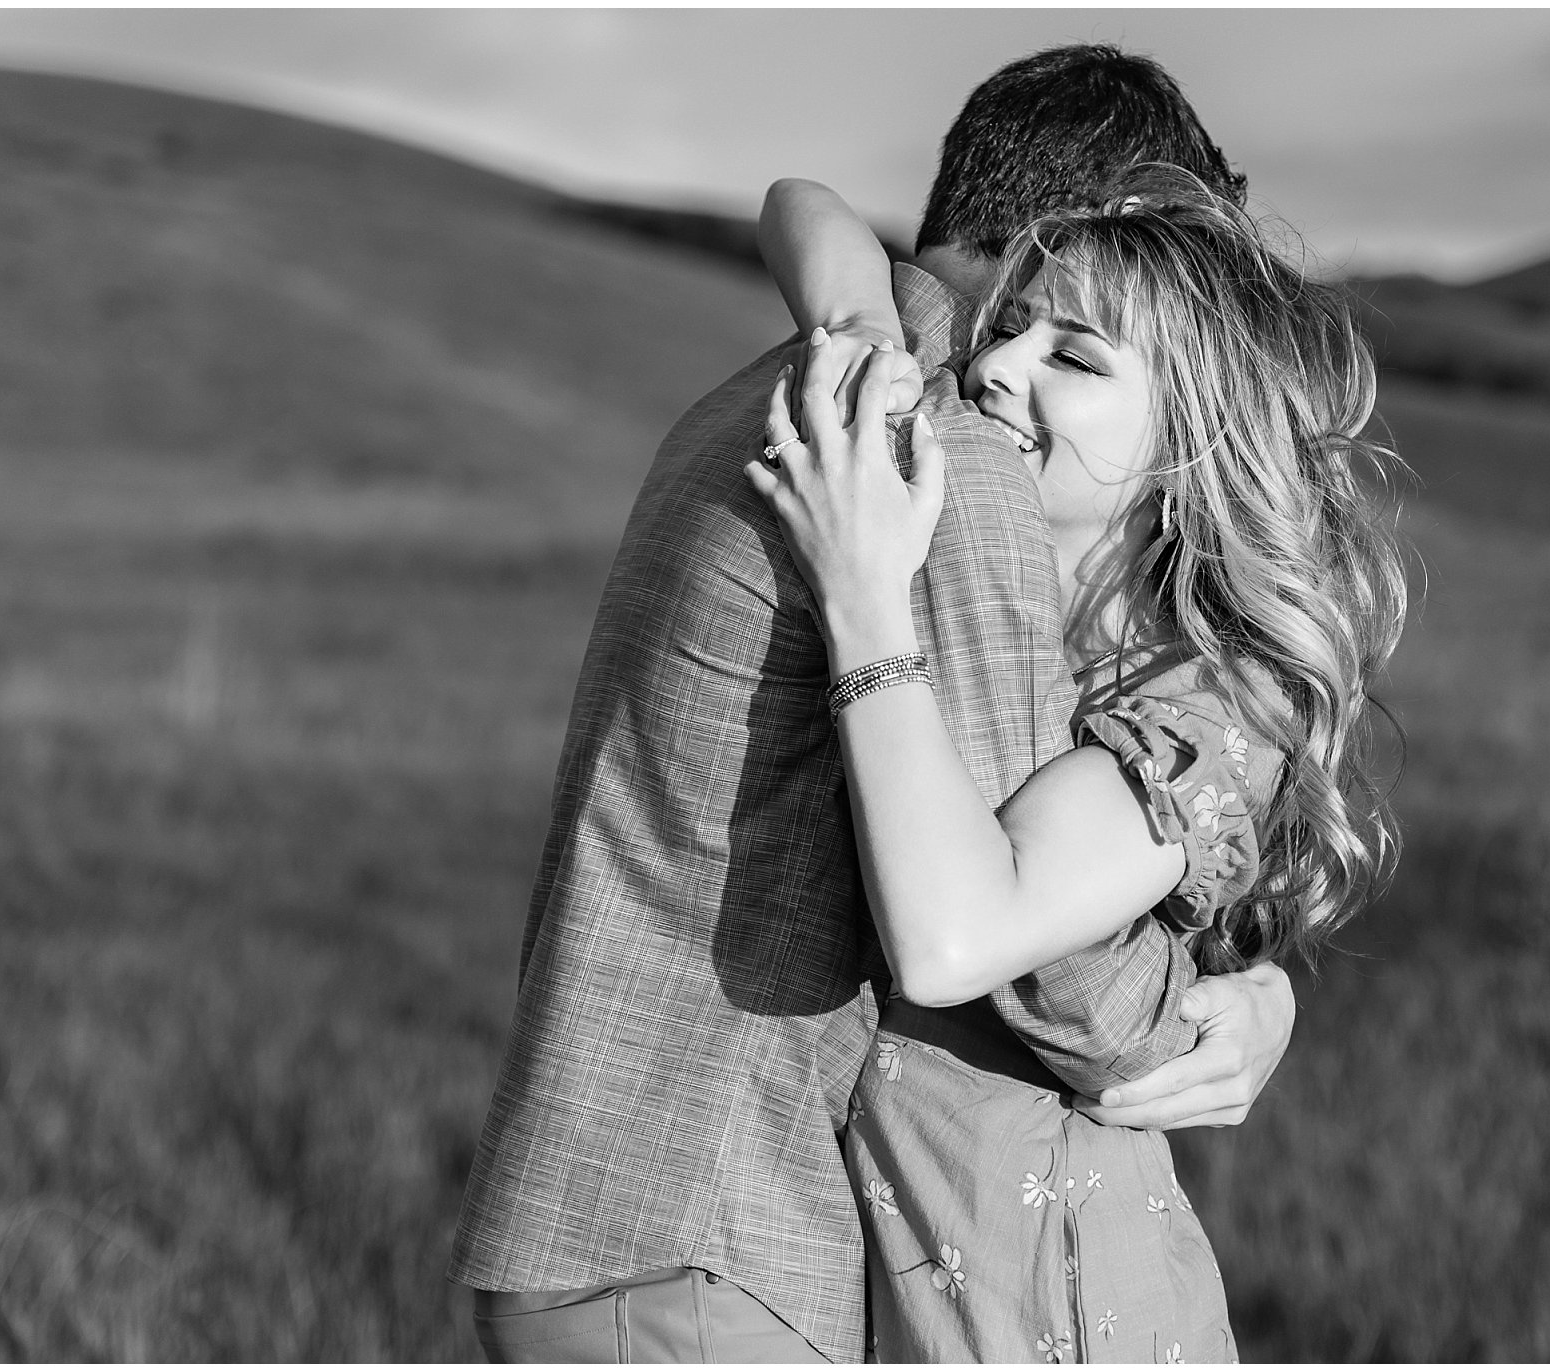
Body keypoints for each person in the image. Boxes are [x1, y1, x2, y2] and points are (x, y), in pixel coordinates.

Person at [450, 46, 1299, 1364]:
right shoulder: (947, 456)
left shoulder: (771, 388)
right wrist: (1234, 1017)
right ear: (1085, 239)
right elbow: (1040, 959)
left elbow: (802, 201)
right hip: (710, 1243)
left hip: (603, 1208)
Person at [746, 167, 1408, 1361]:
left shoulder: (1211, 713)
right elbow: (802, 200)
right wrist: (856, 328)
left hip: (1059, 1315)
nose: (996, 370)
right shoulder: (994, 620)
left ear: (1188, 450)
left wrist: (861, 596)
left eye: (1078, 358)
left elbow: (954, 937)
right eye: (1008, 329)